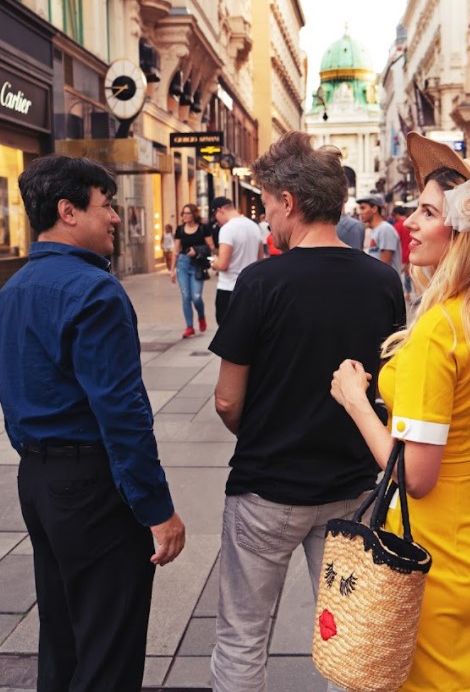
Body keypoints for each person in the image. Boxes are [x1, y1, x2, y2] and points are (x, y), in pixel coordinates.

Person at [329, 132, 470, 691]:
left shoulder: (439, 331)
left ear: (465, 226)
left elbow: (415, 478)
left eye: (425, 212)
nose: (409, 224)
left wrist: (355, 403)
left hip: (436, 551)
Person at [207, 132, 405, 692]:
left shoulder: (262, 281)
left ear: (289, 203)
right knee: (347, 636)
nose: (266, 216)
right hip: (350, 488)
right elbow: (388, 381)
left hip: (267, 487)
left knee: (244, 635)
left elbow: (227, 398)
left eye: (267, 203)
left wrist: (263, 431)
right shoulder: (383, 280)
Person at [0, 155, 185, 692]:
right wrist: (157, 508)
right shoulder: (95, 291)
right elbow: (122, 413)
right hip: (92, 486)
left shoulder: (15, 288)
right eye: (107, 206)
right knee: (108, 648)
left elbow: (12, 388)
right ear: (68, 211)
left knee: (63, 631)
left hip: (38, 480)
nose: (117, 218)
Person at [209, 197, 261, 325]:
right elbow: (260, 260)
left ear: (220, 210)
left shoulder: (227, 229)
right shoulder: (254, 226)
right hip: (250, 289)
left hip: (229, 289)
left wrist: (214, 262)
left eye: (215, 215)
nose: (217, 220)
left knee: (226, 335)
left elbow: (223, 264)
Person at [170, 203, 214, 338]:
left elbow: (211, 246)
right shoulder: (180, 229)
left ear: (194, 214)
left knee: (196, 297)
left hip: (197, 265)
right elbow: (176, 251)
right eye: (183, 213)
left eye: (187, 213)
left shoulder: (203, 228)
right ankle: (189, 327)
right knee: (186, 296)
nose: (184, 216)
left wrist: (196, 250)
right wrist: (172, 269)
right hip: (182, 264)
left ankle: (201, 316)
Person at [357, 195, 403, 272]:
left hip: (387, 283)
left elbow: (384, 267)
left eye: (363, 208)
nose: (360, 212)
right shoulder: (377, 229)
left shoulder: (385, 229)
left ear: (374, 209)